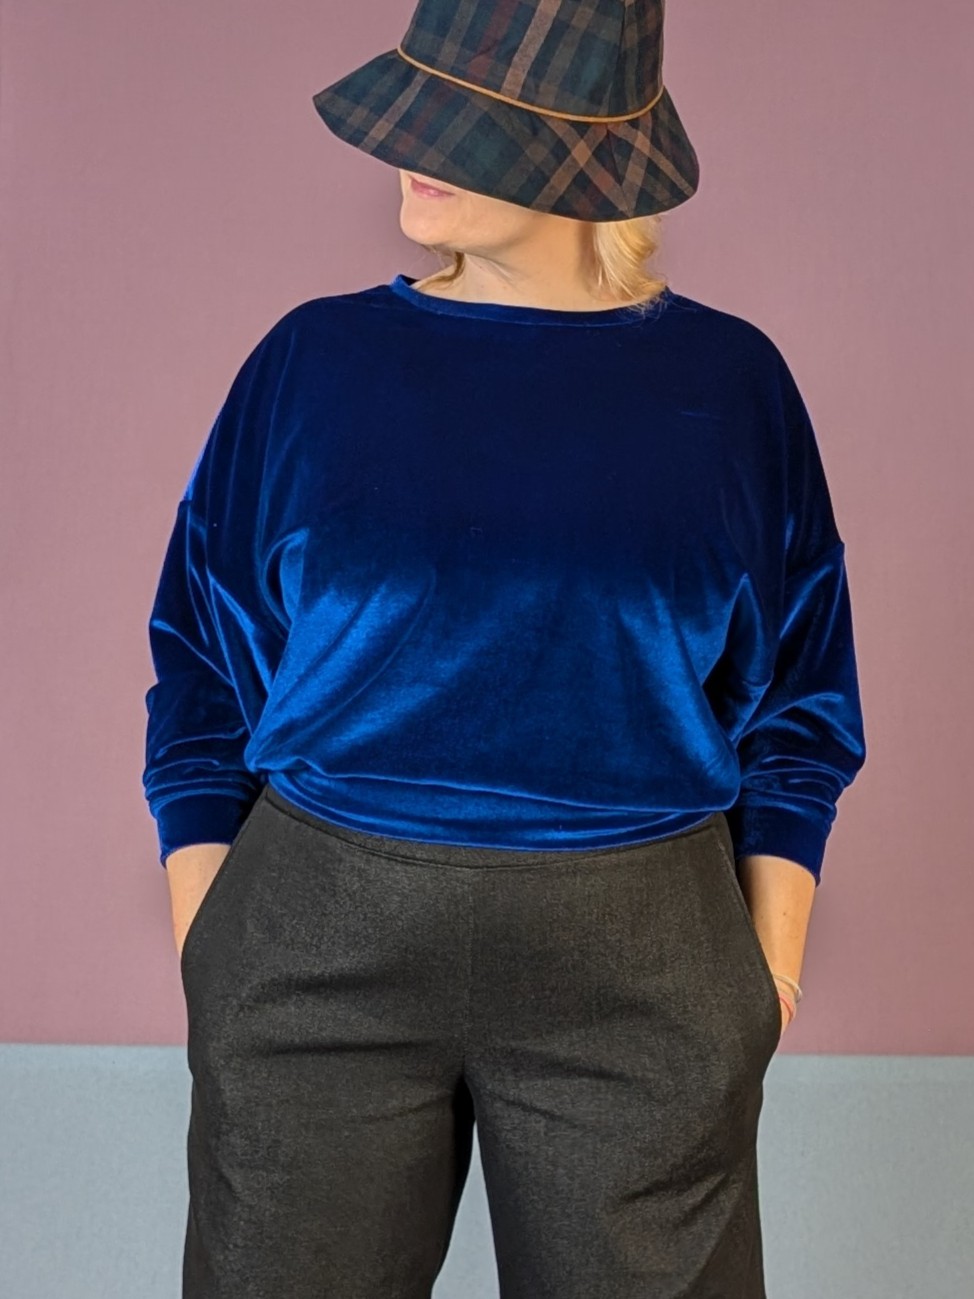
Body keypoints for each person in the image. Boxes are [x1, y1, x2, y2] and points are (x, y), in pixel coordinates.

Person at [141, 2, 867, 1295]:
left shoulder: (729, 385)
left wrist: (768, 968)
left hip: (643, 959)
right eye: (408, 112)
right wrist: (214, 937)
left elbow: (800, 695)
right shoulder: (313, 362)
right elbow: (202, 654)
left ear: (583, 150)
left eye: (456, 124)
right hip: (317, 942)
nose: (406, 151)